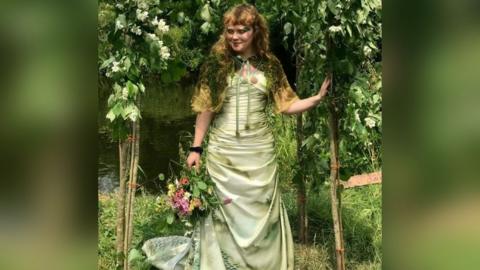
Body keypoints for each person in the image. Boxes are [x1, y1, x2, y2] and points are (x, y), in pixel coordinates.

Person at [142, 3, 331, 270]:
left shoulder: (270, 65)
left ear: (256, 31)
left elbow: (287, 105)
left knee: (259, 212)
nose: (235, 37)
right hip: (223, 153)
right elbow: (206, 108)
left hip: (259, 153)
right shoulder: (217, 64)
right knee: (224, 213)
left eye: (242, 30)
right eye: (230, 31)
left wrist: (316, 99)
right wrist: (196, 148)